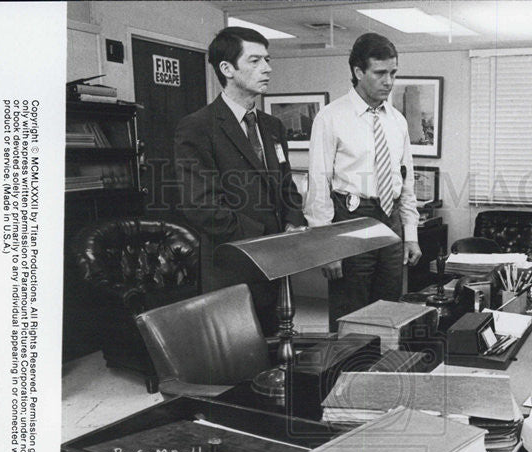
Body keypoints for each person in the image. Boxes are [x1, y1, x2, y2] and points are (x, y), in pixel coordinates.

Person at [174, 27, 306, 335]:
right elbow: (201, 206)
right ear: (227, 69)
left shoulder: (273, 126)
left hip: (277, 268)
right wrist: (266, 237)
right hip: (231, 269)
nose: (268, 68)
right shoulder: (197, 127)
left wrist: (293, 221)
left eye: (268, 59)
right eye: (256, 60)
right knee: (240, 361)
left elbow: (286, 185)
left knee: (277, 350)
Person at [305, 32, 422, 331]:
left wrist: (411, 234)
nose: (389, 81)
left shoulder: (396, 120)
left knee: (387, 311)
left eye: (393, 73)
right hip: (351, 218)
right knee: (351, 312)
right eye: (380, 73)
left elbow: (405, 182)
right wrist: (326, 247)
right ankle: (345, 375)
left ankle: (380, 375)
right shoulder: (330, 118)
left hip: (390, 218)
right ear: (358, 72)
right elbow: (319, 184)